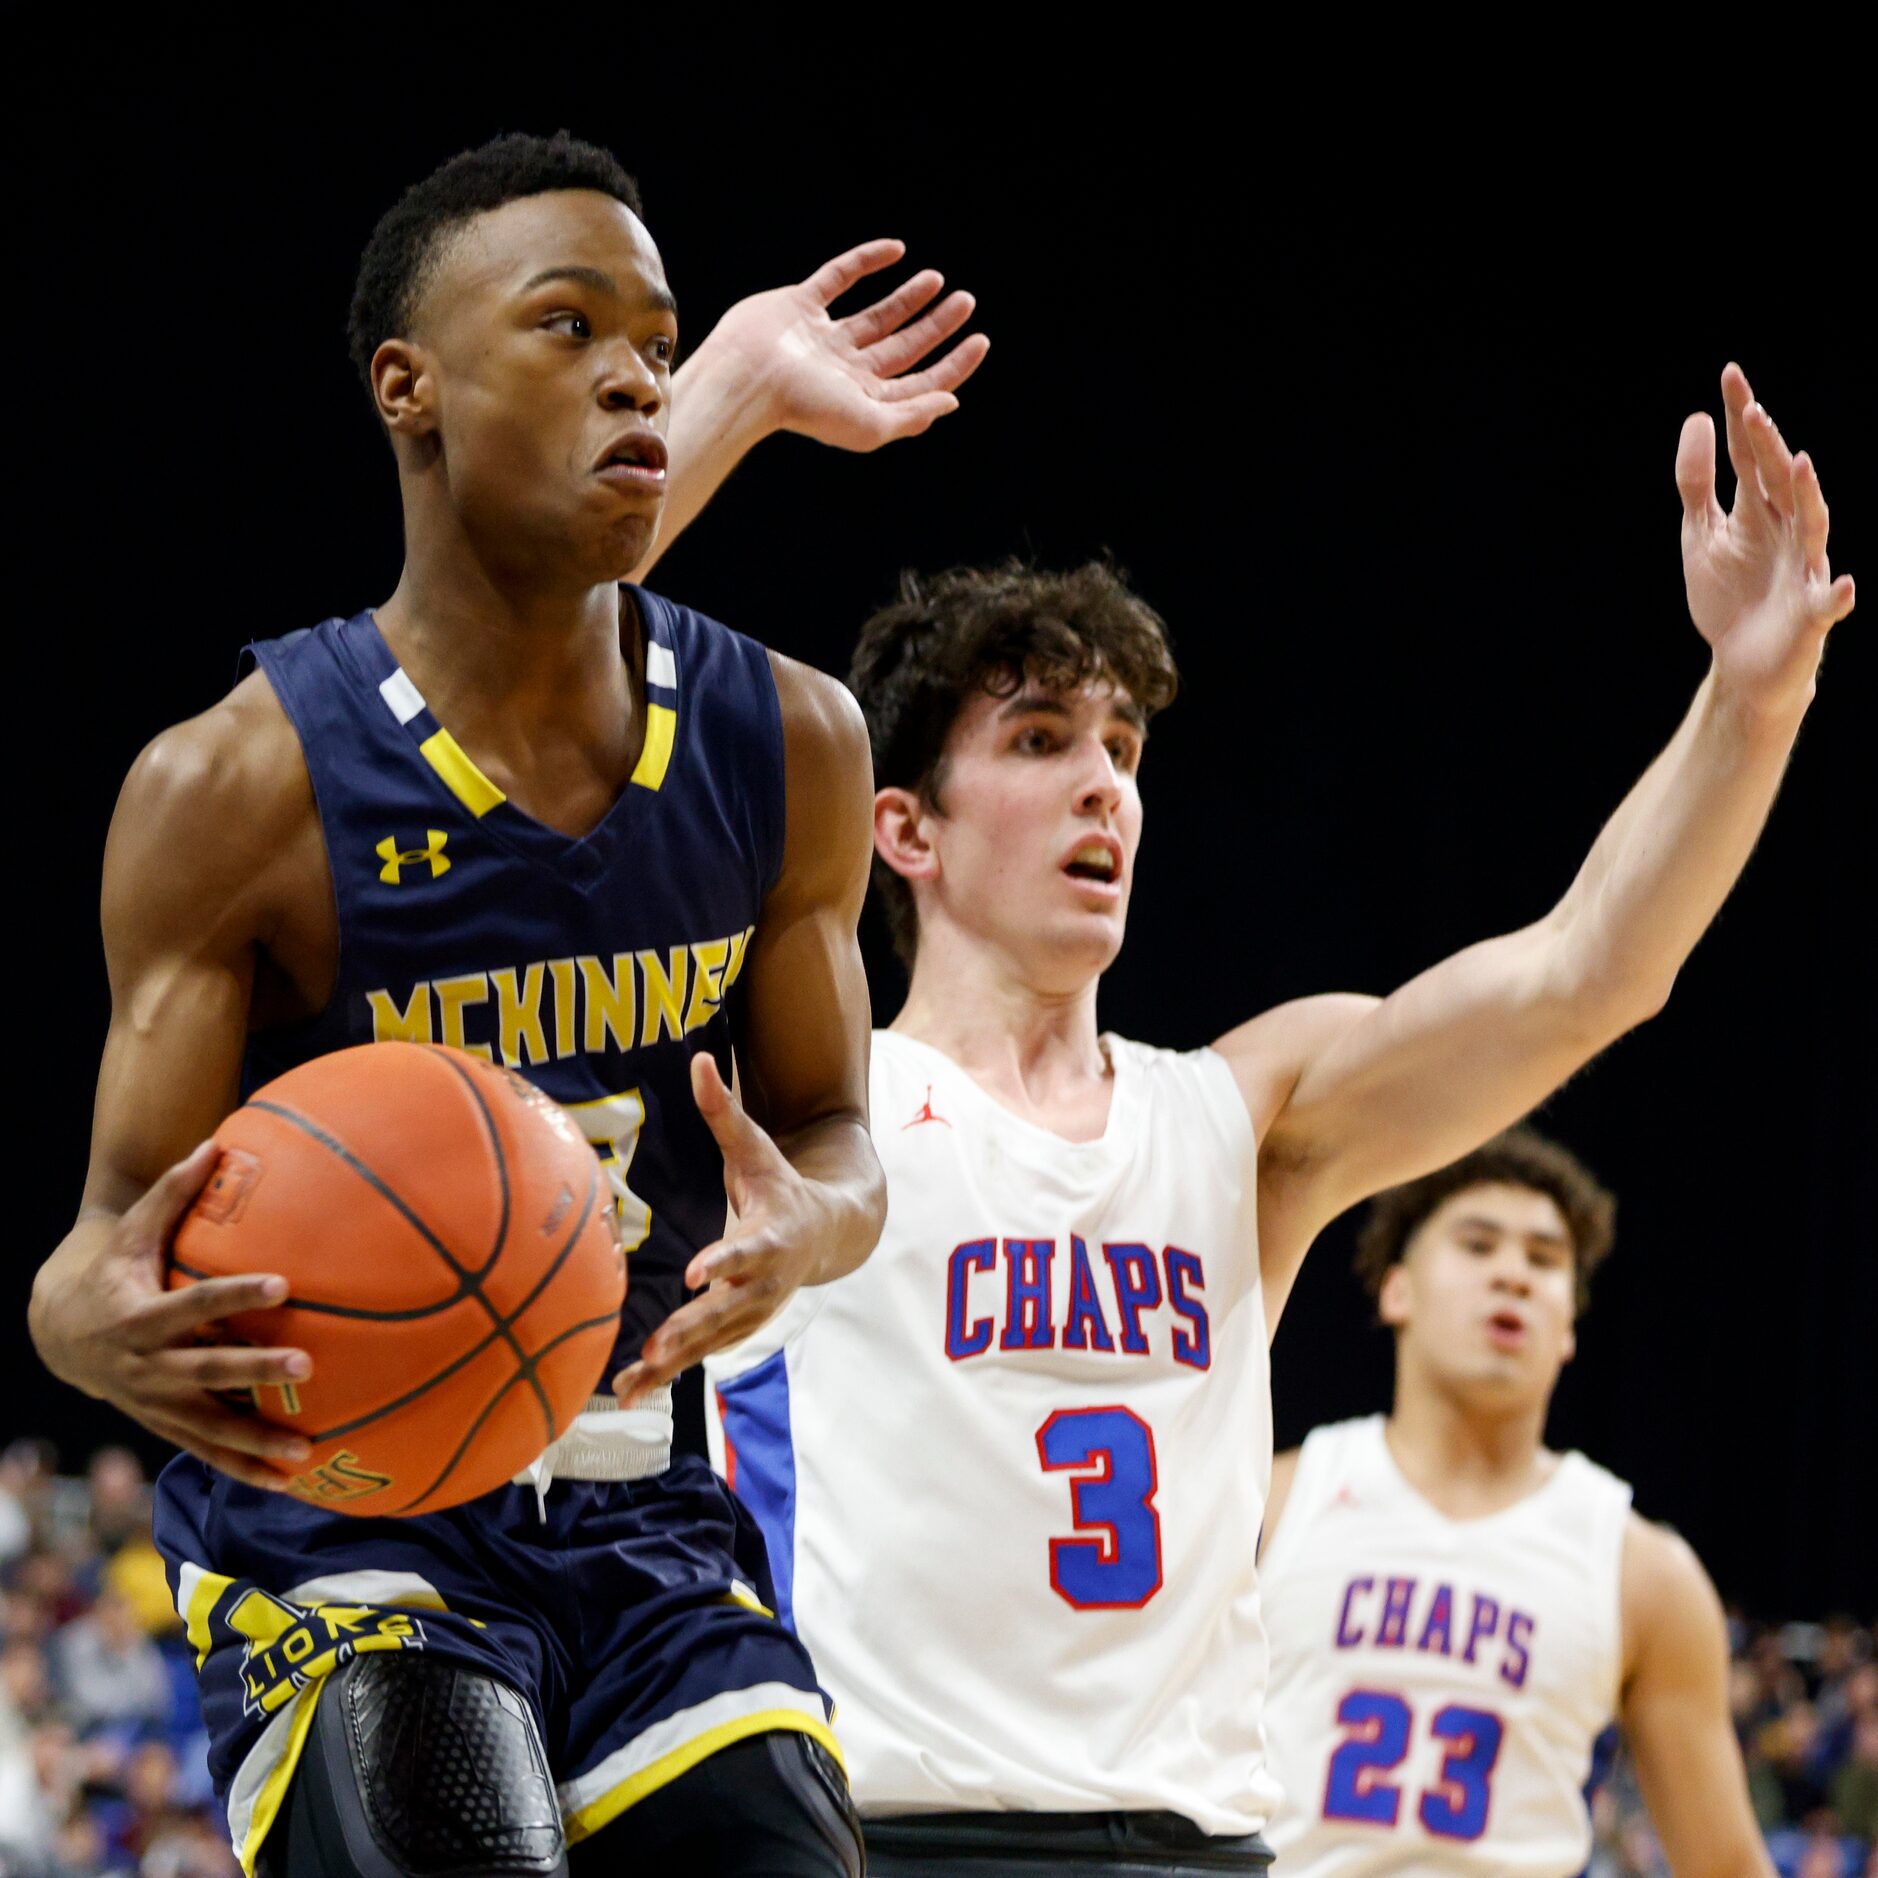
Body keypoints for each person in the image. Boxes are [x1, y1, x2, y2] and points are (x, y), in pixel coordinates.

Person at [706, 364, 1855, 1875]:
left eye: (1123, 748)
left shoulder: (1243, 1114)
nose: (1104, 787)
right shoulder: (803, 1107)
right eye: (1042, 740)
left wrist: (1748, 700)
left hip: (1203, 1842)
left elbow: (1585, 975)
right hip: (895, 1830)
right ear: (902, 828)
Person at [27, 128, 987, 1877]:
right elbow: (100, 1244)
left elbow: (834, 1134)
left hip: (642, 1510)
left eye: (661, 337)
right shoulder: (235, 789)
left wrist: (815, 1222)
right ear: (409, 386)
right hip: (347, 1518)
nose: (635, 371)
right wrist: (85, 1320)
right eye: (567, 325)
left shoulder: (794, 744)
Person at [1258, 1127, 1772, 1876]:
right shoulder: (1269, 1501)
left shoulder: (1644, 1571)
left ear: (1569, 1327)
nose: (1514, 1276)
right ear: (1395, 1288)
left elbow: (1726, 1865)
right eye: (1478, 1245)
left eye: (1544, 1259)